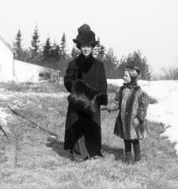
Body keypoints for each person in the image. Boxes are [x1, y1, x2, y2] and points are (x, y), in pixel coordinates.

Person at [64, 24, 108, 161]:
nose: (86, 49)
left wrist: (101, 99)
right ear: (79, 47)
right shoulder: (73, 64)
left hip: (93, 103)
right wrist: (77, 89)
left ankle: (93, 152)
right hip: (78, 102)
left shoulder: (99, 65)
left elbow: (103, 84)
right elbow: (67, 81)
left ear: (92, 47)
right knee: (77, 127)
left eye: (88, 46)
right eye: (83, 46)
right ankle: (79, 154)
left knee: (92, 127)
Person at [107, 65, 149, 164]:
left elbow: (143, 108)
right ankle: (128, 157)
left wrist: (139, 118)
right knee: (126, 139)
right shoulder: (122, 90)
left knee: (134, 139)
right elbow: (117, 103)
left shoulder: (140, 92)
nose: (123, 77)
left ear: (133, 77)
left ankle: (137, 157)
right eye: (123, 75)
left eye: (126, 76)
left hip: (134, 122)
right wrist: (108, 107)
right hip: (124, 121)